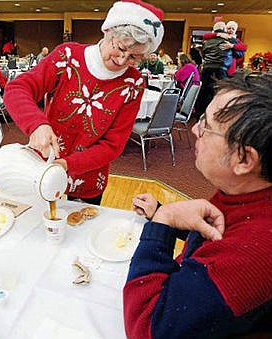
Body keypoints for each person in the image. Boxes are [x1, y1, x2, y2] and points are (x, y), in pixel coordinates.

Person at [126, 73, 272, 338]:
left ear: (244, 159)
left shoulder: (255, 252)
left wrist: (165, 221)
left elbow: (148, 327)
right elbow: (220, 236)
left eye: (205, 125)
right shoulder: (248, 192)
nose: (194, 130)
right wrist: (161, 211)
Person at [4, 0, 165, 205]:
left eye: (135, 57)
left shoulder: (133, 83)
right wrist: (37, 124)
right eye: (121, 48)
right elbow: (17, 89)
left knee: (79, 229)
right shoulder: (68, 57)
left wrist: (67, 164)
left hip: (87, 175)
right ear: (108, 31)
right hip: (43, 163)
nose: (122, 61)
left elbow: (112, 145)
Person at [196, 22, 231, 117]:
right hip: (220, 69)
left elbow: (203, 55)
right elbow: (241, 51)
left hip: (207, 68)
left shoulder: (206, 42)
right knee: (219, 92)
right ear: (223, 29)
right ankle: (217, 114)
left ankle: (200, 113)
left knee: (203, 91)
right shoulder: (227, 41)